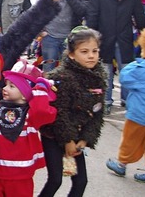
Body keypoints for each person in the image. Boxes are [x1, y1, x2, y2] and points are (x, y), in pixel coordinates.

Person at [39, 27, 107, 197]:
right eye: (84, 51)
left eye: (95, 51)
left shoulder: (98, 77)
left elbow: (97, 112)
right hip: (54, 135)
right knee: (55, 180)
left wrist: (85, 138)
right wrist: (67, 141)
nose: (91, 56)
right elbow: (58, 112)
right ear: (71, 54)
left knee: (80, 182)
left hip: (78, 137)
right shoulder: (61, 77)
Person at [0, 61, 57, 197]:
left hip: (20, 177)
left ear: (25, 94)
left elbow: (43, 110)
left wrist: (41, 88)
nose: (5, 89)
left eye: (12, 86)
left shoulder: (32, 115)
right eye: (6, 84)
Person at [86, 0, 145, 113]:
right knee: (105, 71)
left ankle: (127, 101)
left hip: (124, 38)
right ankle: (106, 101)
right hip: (103, 38)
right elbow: (92, 16)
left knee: (127, 71)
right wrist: (92, 37)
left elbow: (139, 15)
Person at [106, 25, 145, 185]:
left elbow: (124, 78)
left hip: (138, 114)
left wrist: (137, 62)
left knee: (130, 140)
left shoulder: (139, 68)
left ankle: (121, 164)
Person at [39, 0, 90, 72]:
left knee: (68, 70)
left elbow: (82, 11)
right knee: (48, 69)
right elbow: (38, 8)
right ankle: (47, 89)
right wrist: (41, 30)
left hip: (70, 37)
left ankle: (65, 90)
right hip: (50, 35)